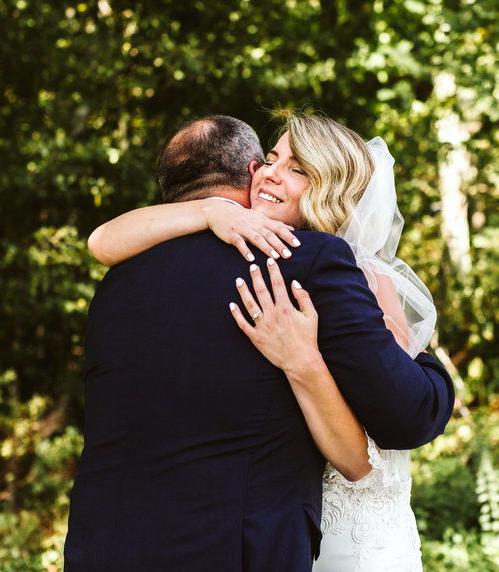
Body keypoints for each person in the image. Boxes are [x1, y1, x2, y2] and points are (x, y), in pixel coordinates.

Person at [84, 112, 452, 570]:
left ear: (332, 191)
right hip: (242, 547)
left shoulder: (120, 281)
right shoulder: (310, 264)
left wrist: (307, 359)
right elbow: (407, 417)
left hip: (101, 545)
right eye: (271, 160)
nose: (270, 174)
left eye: (297, 168)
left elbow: (361, 458)